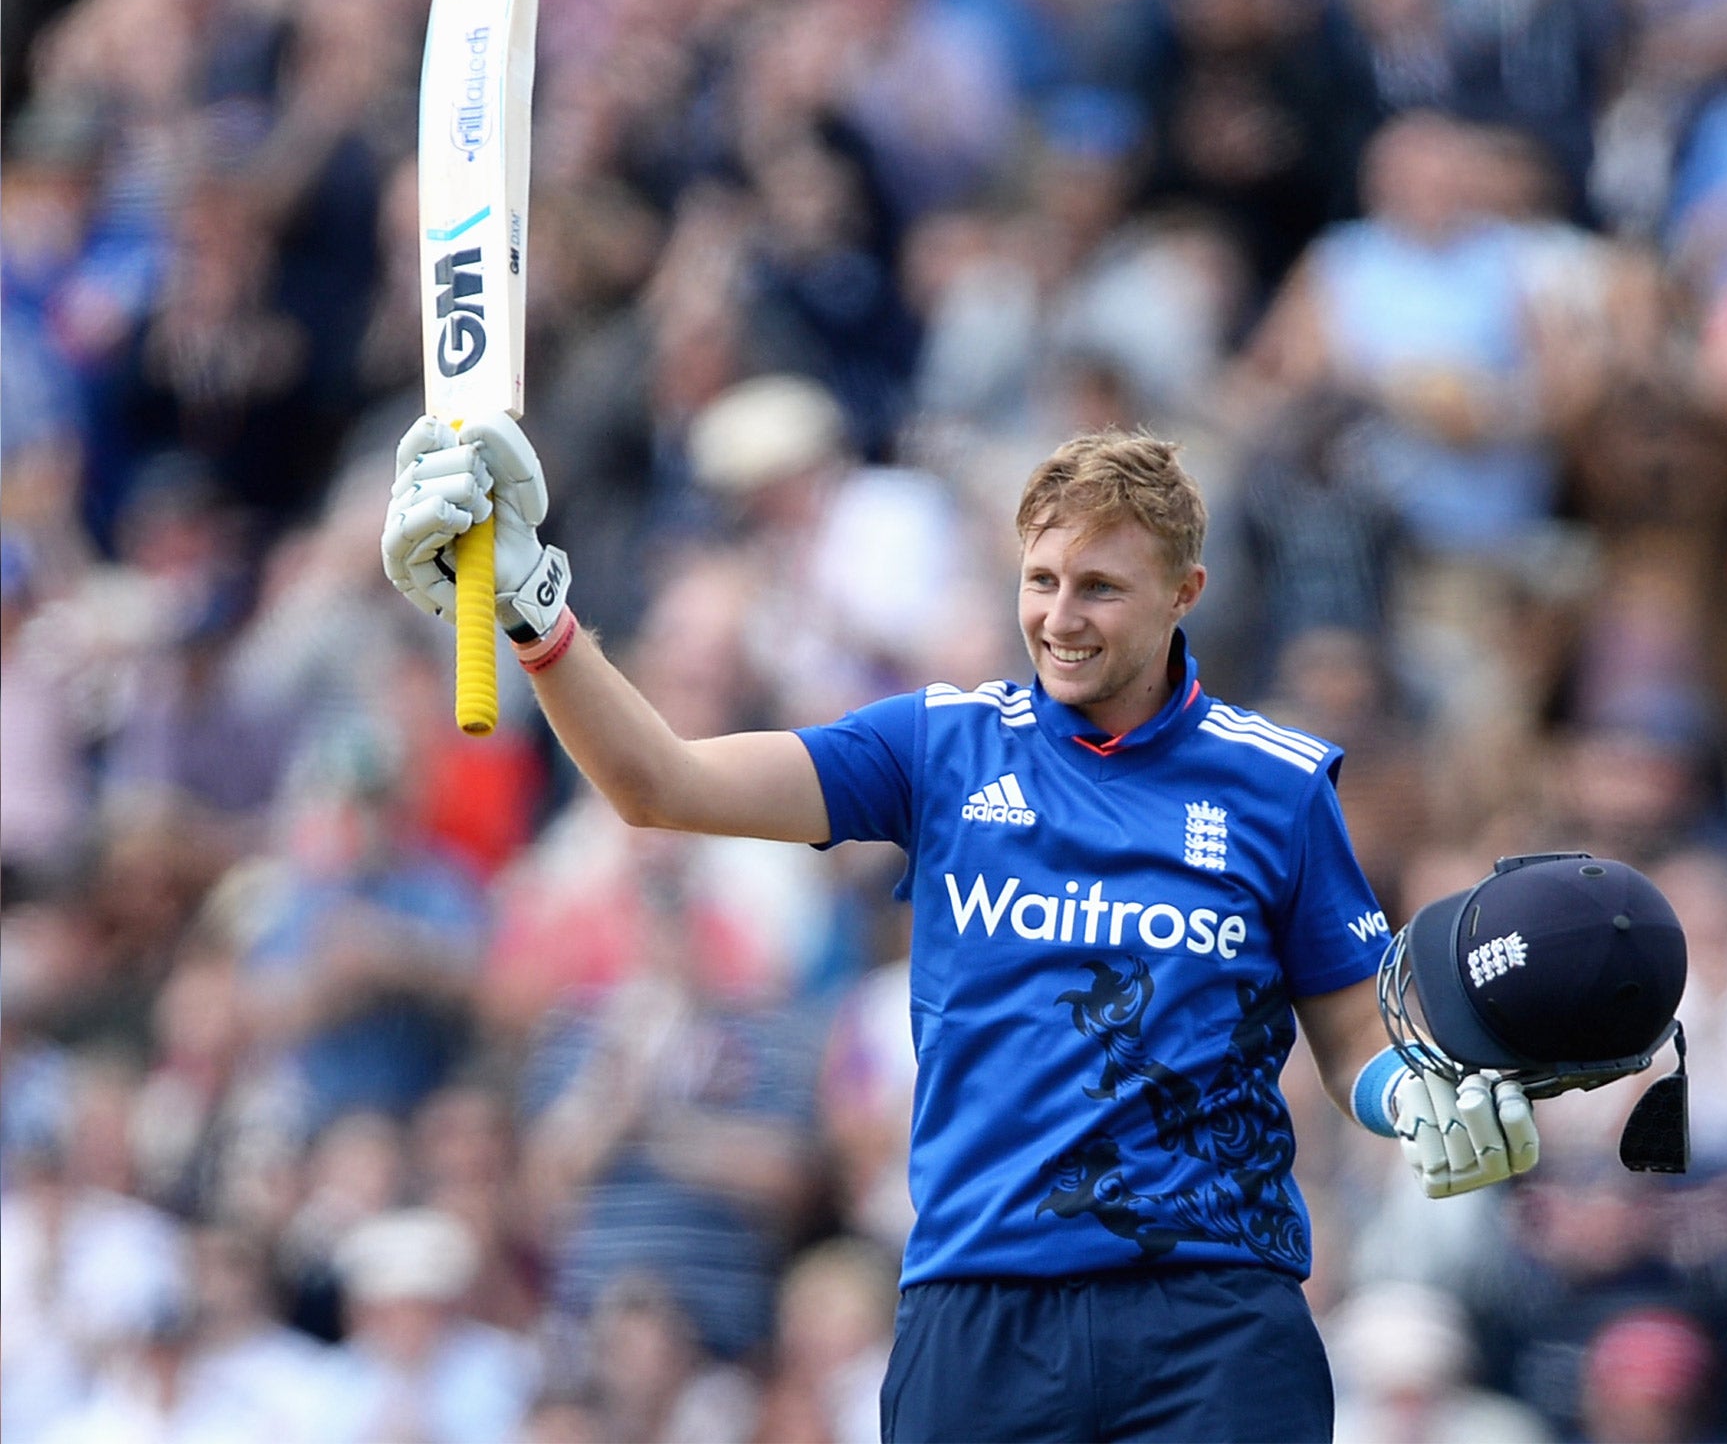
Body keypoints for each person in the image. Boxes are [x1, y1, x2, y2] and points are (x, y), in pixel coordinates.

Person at [381, 418, 1550, 1443]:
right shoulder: (938, 745)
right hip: (978, 1306)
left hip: (1213, 1312)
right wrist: (535, 608)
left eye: (1100, 587)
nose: (1059, 617)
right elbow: (660, 783)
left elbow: (1350, 1028)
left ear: (1185, 593)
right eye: (1039, 580)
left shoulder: (1277, 784)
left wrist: (1411, 1099)